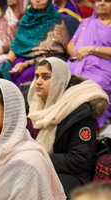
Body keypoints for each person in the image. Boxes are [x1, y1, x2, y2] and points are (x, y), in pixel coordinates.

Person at [27, 57, 109, 198]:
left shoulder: (79, 111)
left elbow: (78, 159)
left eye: (45, 77)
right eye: (36, 76)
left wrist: (38, 159)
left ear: (60, 80)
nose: (38, 82)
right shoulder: (34, 105)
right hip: (39, 166)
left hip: (72, 175)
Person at [0, 0, 70, 87]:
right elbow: (17, 44)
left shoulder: (55, 20)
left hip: (42, 61)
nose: (37, 1)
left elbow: (56, 53)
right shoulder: (26, 18)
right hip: (22, 58)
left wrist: (25, 64)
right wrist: (8, 61)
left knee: (24, 76)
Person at [66, 0, 111, 129]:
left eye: (107, 1)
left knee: (90, 85)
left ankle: (85, 128)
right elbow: (70, 44)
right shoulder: (87, 22)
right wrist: (79, 52)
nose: (101, 3)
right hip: (77, 62)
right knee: (58, 79)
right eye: (99, 0)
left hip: (104, 69)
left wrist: (91, 50)